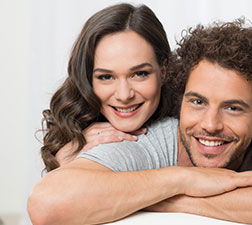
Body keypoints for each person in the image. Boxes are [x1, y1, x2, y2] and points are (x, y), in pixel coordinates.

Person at [28, 17, 252, 225]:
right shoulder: (139, 140)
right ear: (182, 97)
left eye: (233, 108)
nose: (211, 123)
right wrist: (183, 178)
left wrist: (167, 199)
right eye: (197, 102)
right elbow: (47, 202)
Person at [40, 3, 175, 172]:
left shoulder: (189, 126)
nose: (124, 95)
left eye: (139, 74)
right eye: (106, 77)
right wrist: (62, 163)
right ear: (88, 79)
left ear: (163, 70)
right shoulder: (76, 135)